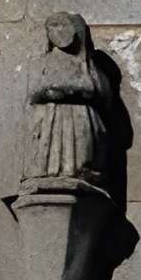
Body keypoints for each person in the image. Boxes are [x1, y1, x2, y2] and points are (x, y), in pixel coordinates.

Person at [25, 12, 112, 185]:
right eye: (53, 26)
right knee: (49, 152)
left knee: (81, 156)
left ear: (76, 30)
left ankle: (82, 175)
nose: (59, 31)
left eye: (63, 25)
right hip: (51, 116)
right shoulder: (44, 61)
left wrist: (68, 89)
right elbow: (34, 91)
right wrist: (55, 91)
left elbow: (99, 91)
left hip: (81, 116)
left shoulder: (85, 63)